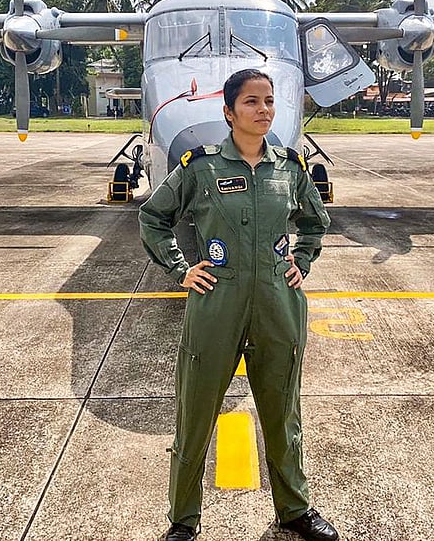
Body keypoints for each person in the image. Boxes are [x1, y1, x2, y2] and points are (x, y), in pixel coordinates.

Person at [139, 69, 339, 541]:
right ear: (229, 112)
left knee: (283, 412)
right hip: (217, 302)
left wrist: (301, 261)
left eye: (269, 101)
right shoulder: (200, 167)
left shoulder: (290, 168)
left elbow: (315, 222)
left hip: (278, 303)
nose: (263, 110)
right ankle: (183, 519)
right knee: (195, 413)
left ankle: (294, 508)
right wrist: (180, 268)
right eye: (251, 101)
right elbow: (153, 217)